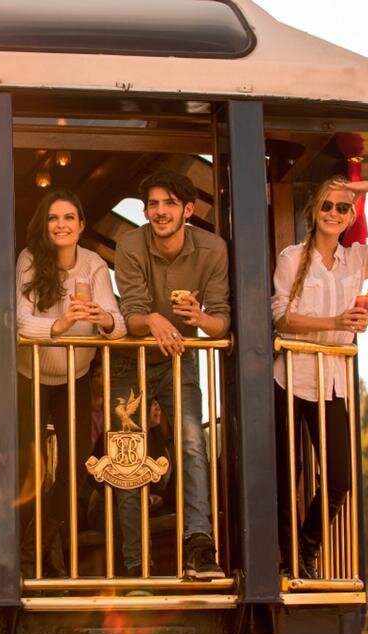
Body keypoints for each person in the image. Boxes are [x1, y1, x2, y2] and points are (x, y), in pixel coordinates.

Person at [271, 176, 368, 578]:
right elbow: (281, 316)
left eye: (342, 208)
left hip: (332, 382)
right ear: (314, 211)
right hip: (291, 377)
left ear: (349, 218)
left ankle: (307, 547)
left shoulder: (357, 260)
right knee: (287, 476)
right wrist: (335, 321)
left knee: (339, 479)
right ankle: (288, 560)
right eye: (327, 205)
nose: (333, 213)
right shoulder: (292, 257)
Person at [111, 169, 229, 579]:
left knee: (192, 444)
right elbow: (132, 314)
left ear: (188, 210)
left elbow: (221, 323)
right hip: (130, 359)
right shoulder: (129, 244)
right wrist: (153, 319)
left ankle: (199, 545)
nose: (160, 211)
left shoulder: (212, 249)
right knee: (128, 456)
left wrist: (199, 317)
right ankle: (134, 563)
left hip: (179, 357)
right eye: (153, 204)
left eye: (170, 204)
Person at [16, 188, 126, 575]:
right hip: (30, 374)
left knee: (77, 466)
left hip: (75, 376)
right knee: (29, 467)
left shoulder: (94, 265)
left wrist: (103, 318)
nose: (60, 225)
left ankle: (39, 547)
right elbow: (20, 321)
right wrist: (60, 325)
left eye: (68, 218)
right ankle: (20, 557)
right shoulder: (30, 259)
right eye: (53, 218)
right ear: (44, 225)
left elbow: (118, 325)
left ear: (81, 225)